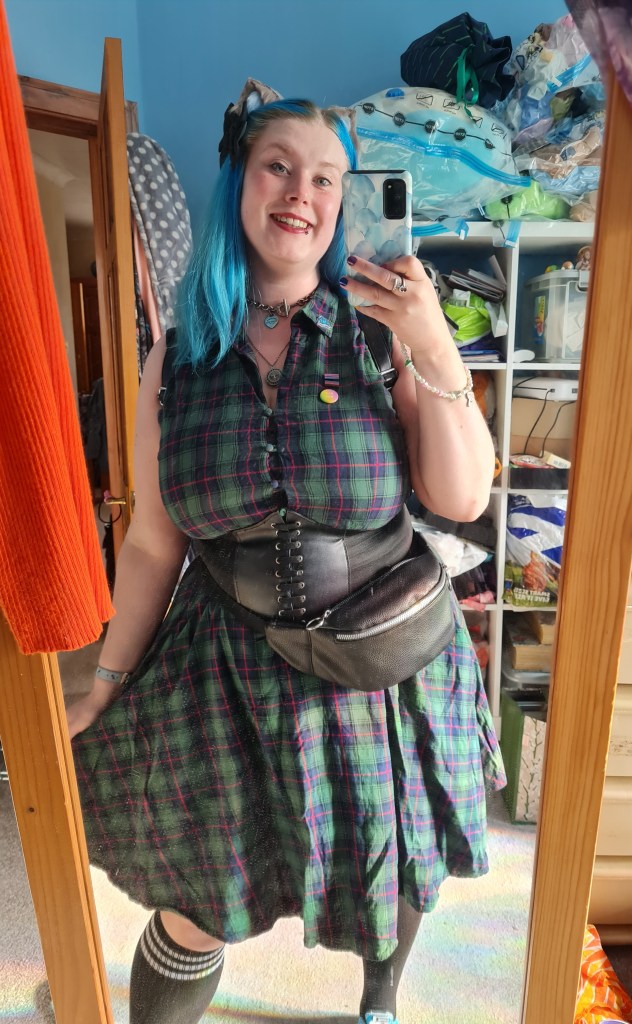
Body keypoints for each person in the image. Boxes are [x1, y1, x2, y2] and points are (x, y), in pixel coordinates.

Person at [68, 84, 506, 1024]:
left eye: (326, 178)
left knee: (393, 857)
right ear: (240, 179)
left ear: (345, 200)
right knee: (198, 896)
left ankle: (380, 999)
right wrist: (105, 677)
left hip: (380, 657)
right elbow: (152, 540)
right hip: (225, 662)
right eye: (278, 166)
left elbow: (463, 497)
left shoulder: (381, 334)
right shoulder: (177, 358)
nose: (301, 193)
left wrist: (435, 345)